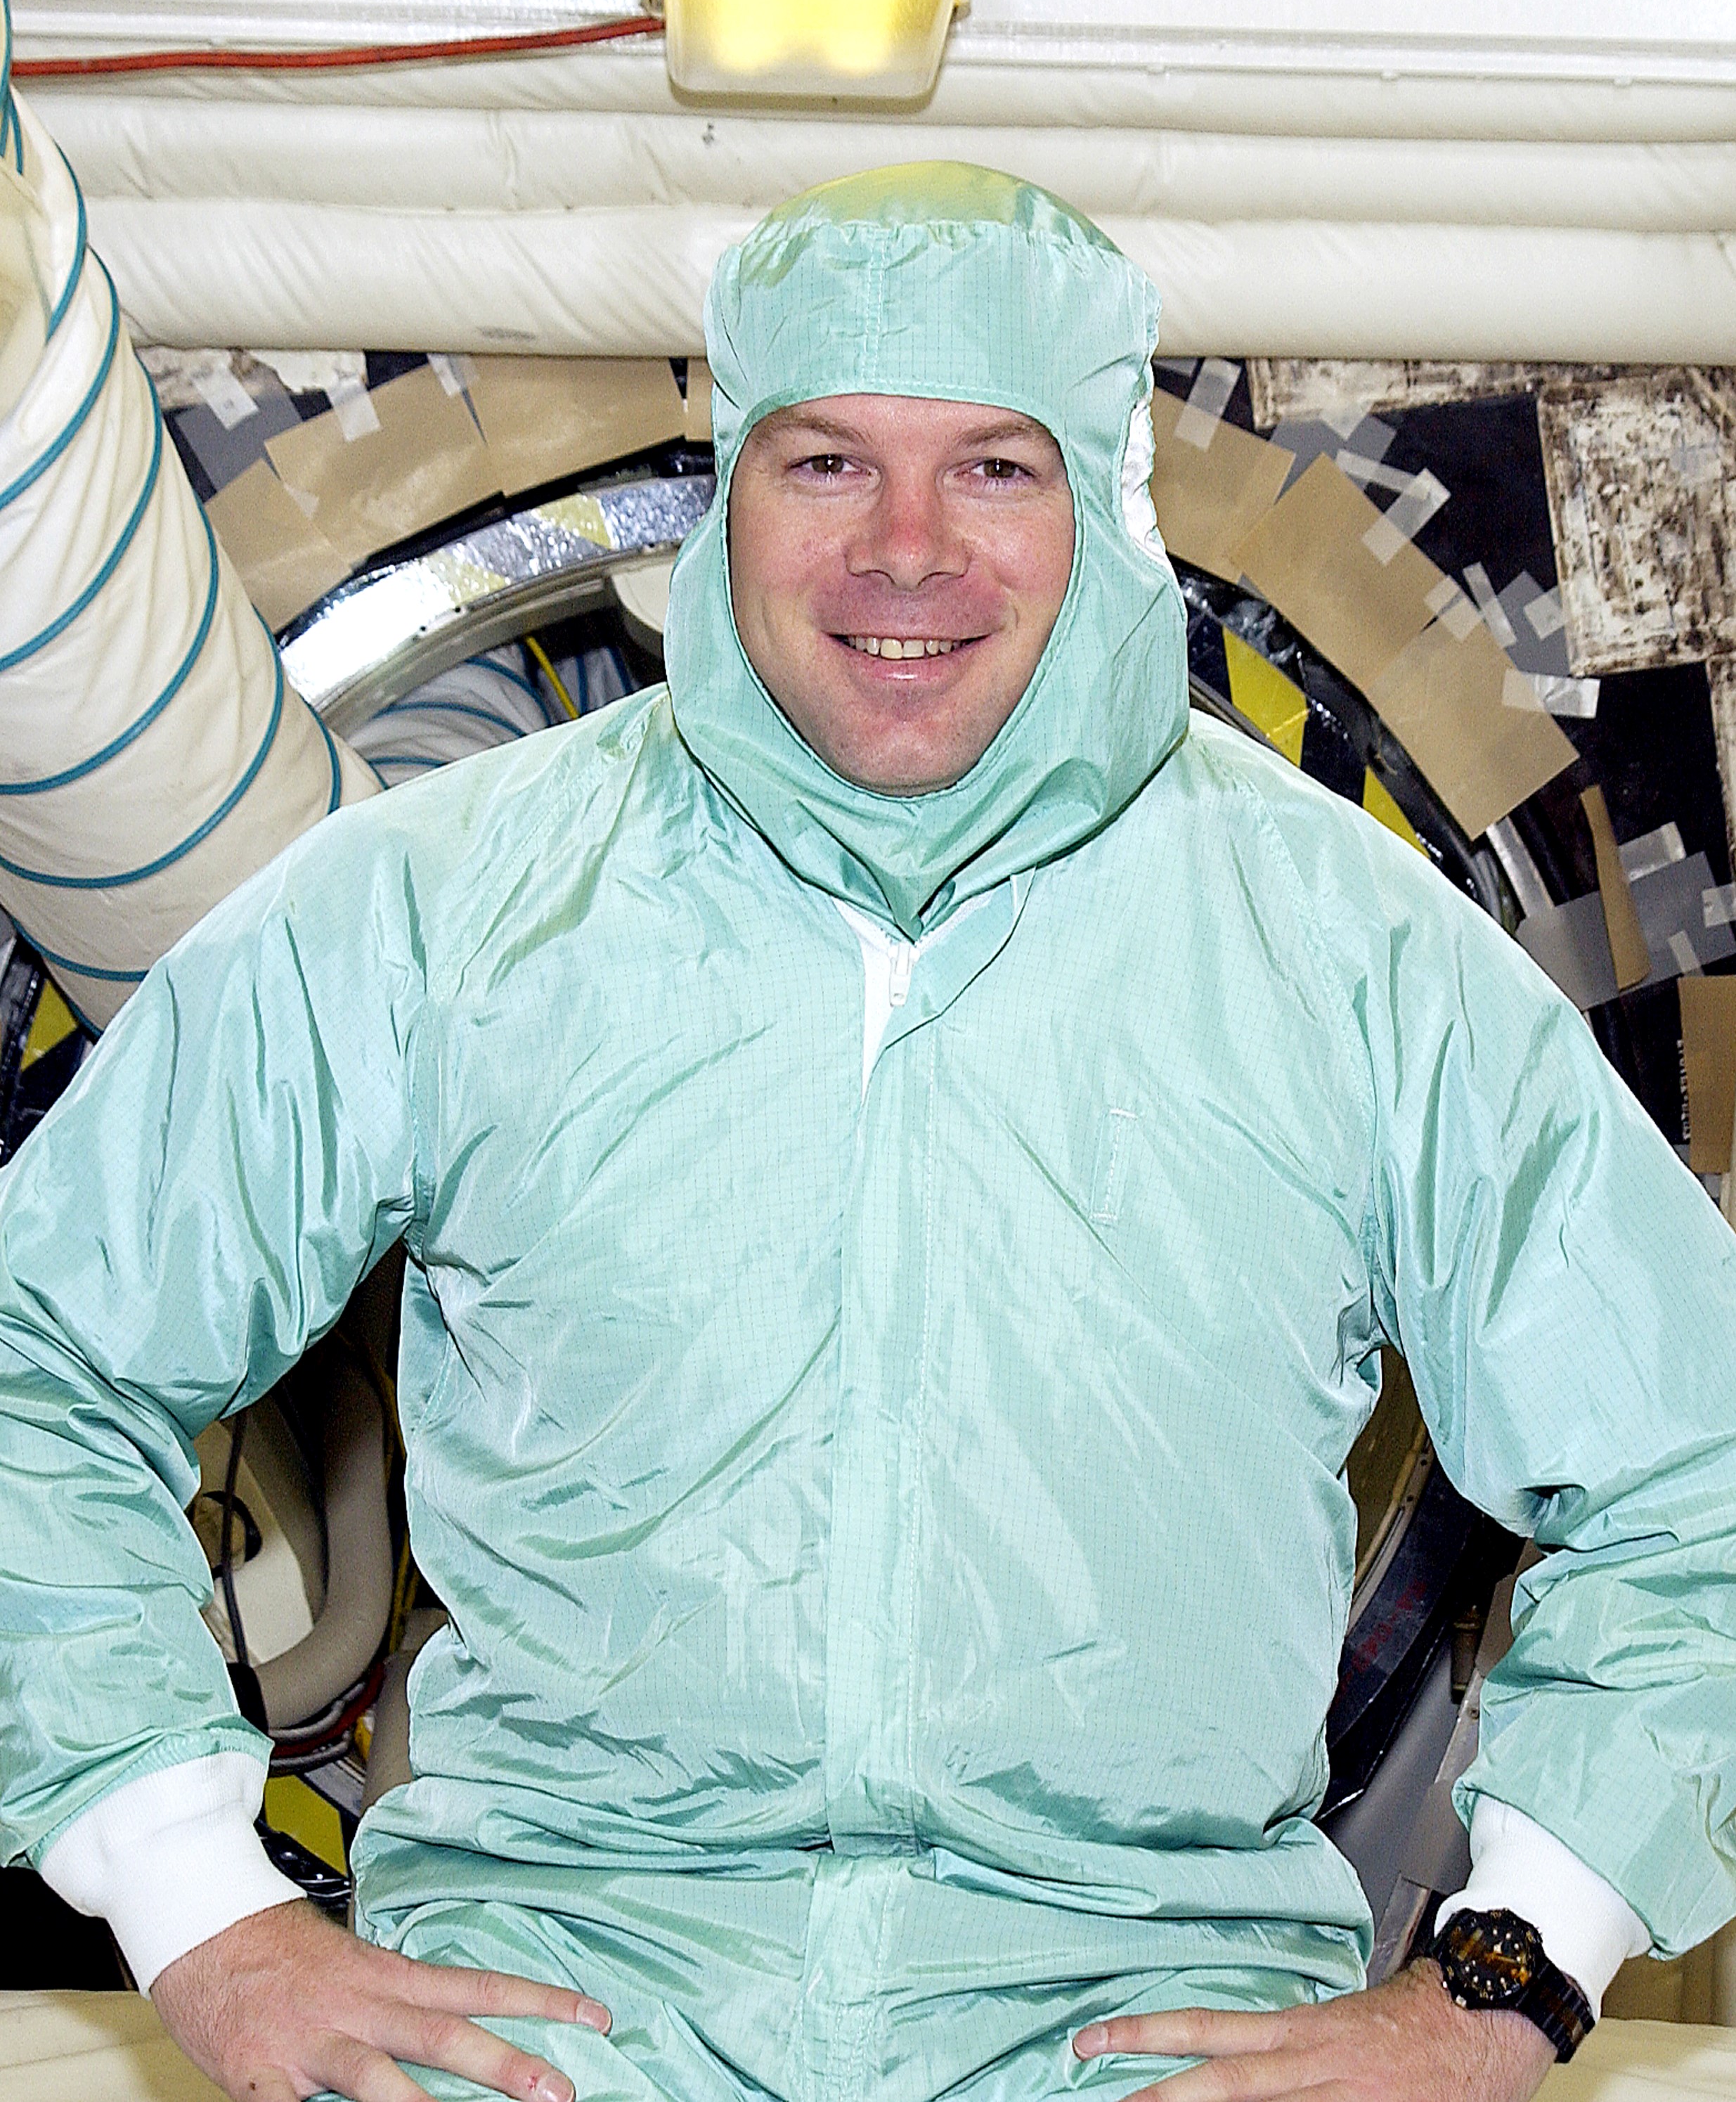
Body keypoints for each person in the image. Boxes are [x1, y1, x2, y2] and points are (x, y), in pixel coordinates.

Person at [0, 162, 1732, 2102]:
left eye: (995, 468)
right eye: (828, 463)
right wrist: (195, 1913)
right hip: (553, 2031)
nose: (906, 552)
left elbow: (1703, 1464)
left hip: (1143, 2038)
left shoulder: (1355, 958)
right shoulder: (438, 910)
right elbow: (36, 1357)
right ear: (727, 486)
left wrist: (1506, 1978)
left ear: (1108, 499)